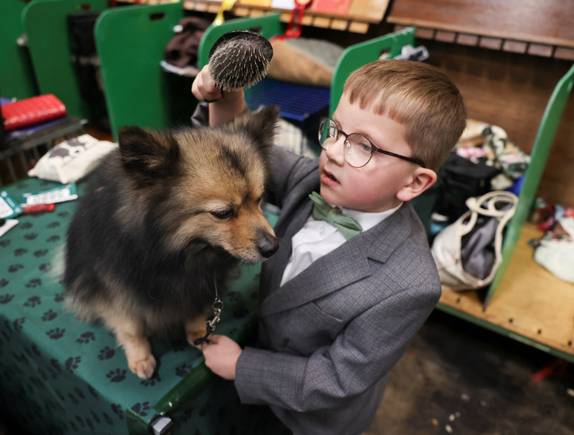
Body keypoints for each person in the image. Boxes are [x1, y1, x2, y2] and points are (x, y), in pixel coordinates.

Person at [191, 59, 467, 434]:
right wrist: (225, 96)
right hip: (263, 364)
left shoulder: (411, 284)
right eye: (335, 130)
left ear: (414, 183)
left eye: (364, 147)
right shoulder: (312, 181)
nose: (335, 152)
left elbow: (337, 377)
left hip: (309, 419)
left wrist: (244, 366)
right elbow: (240, 153)